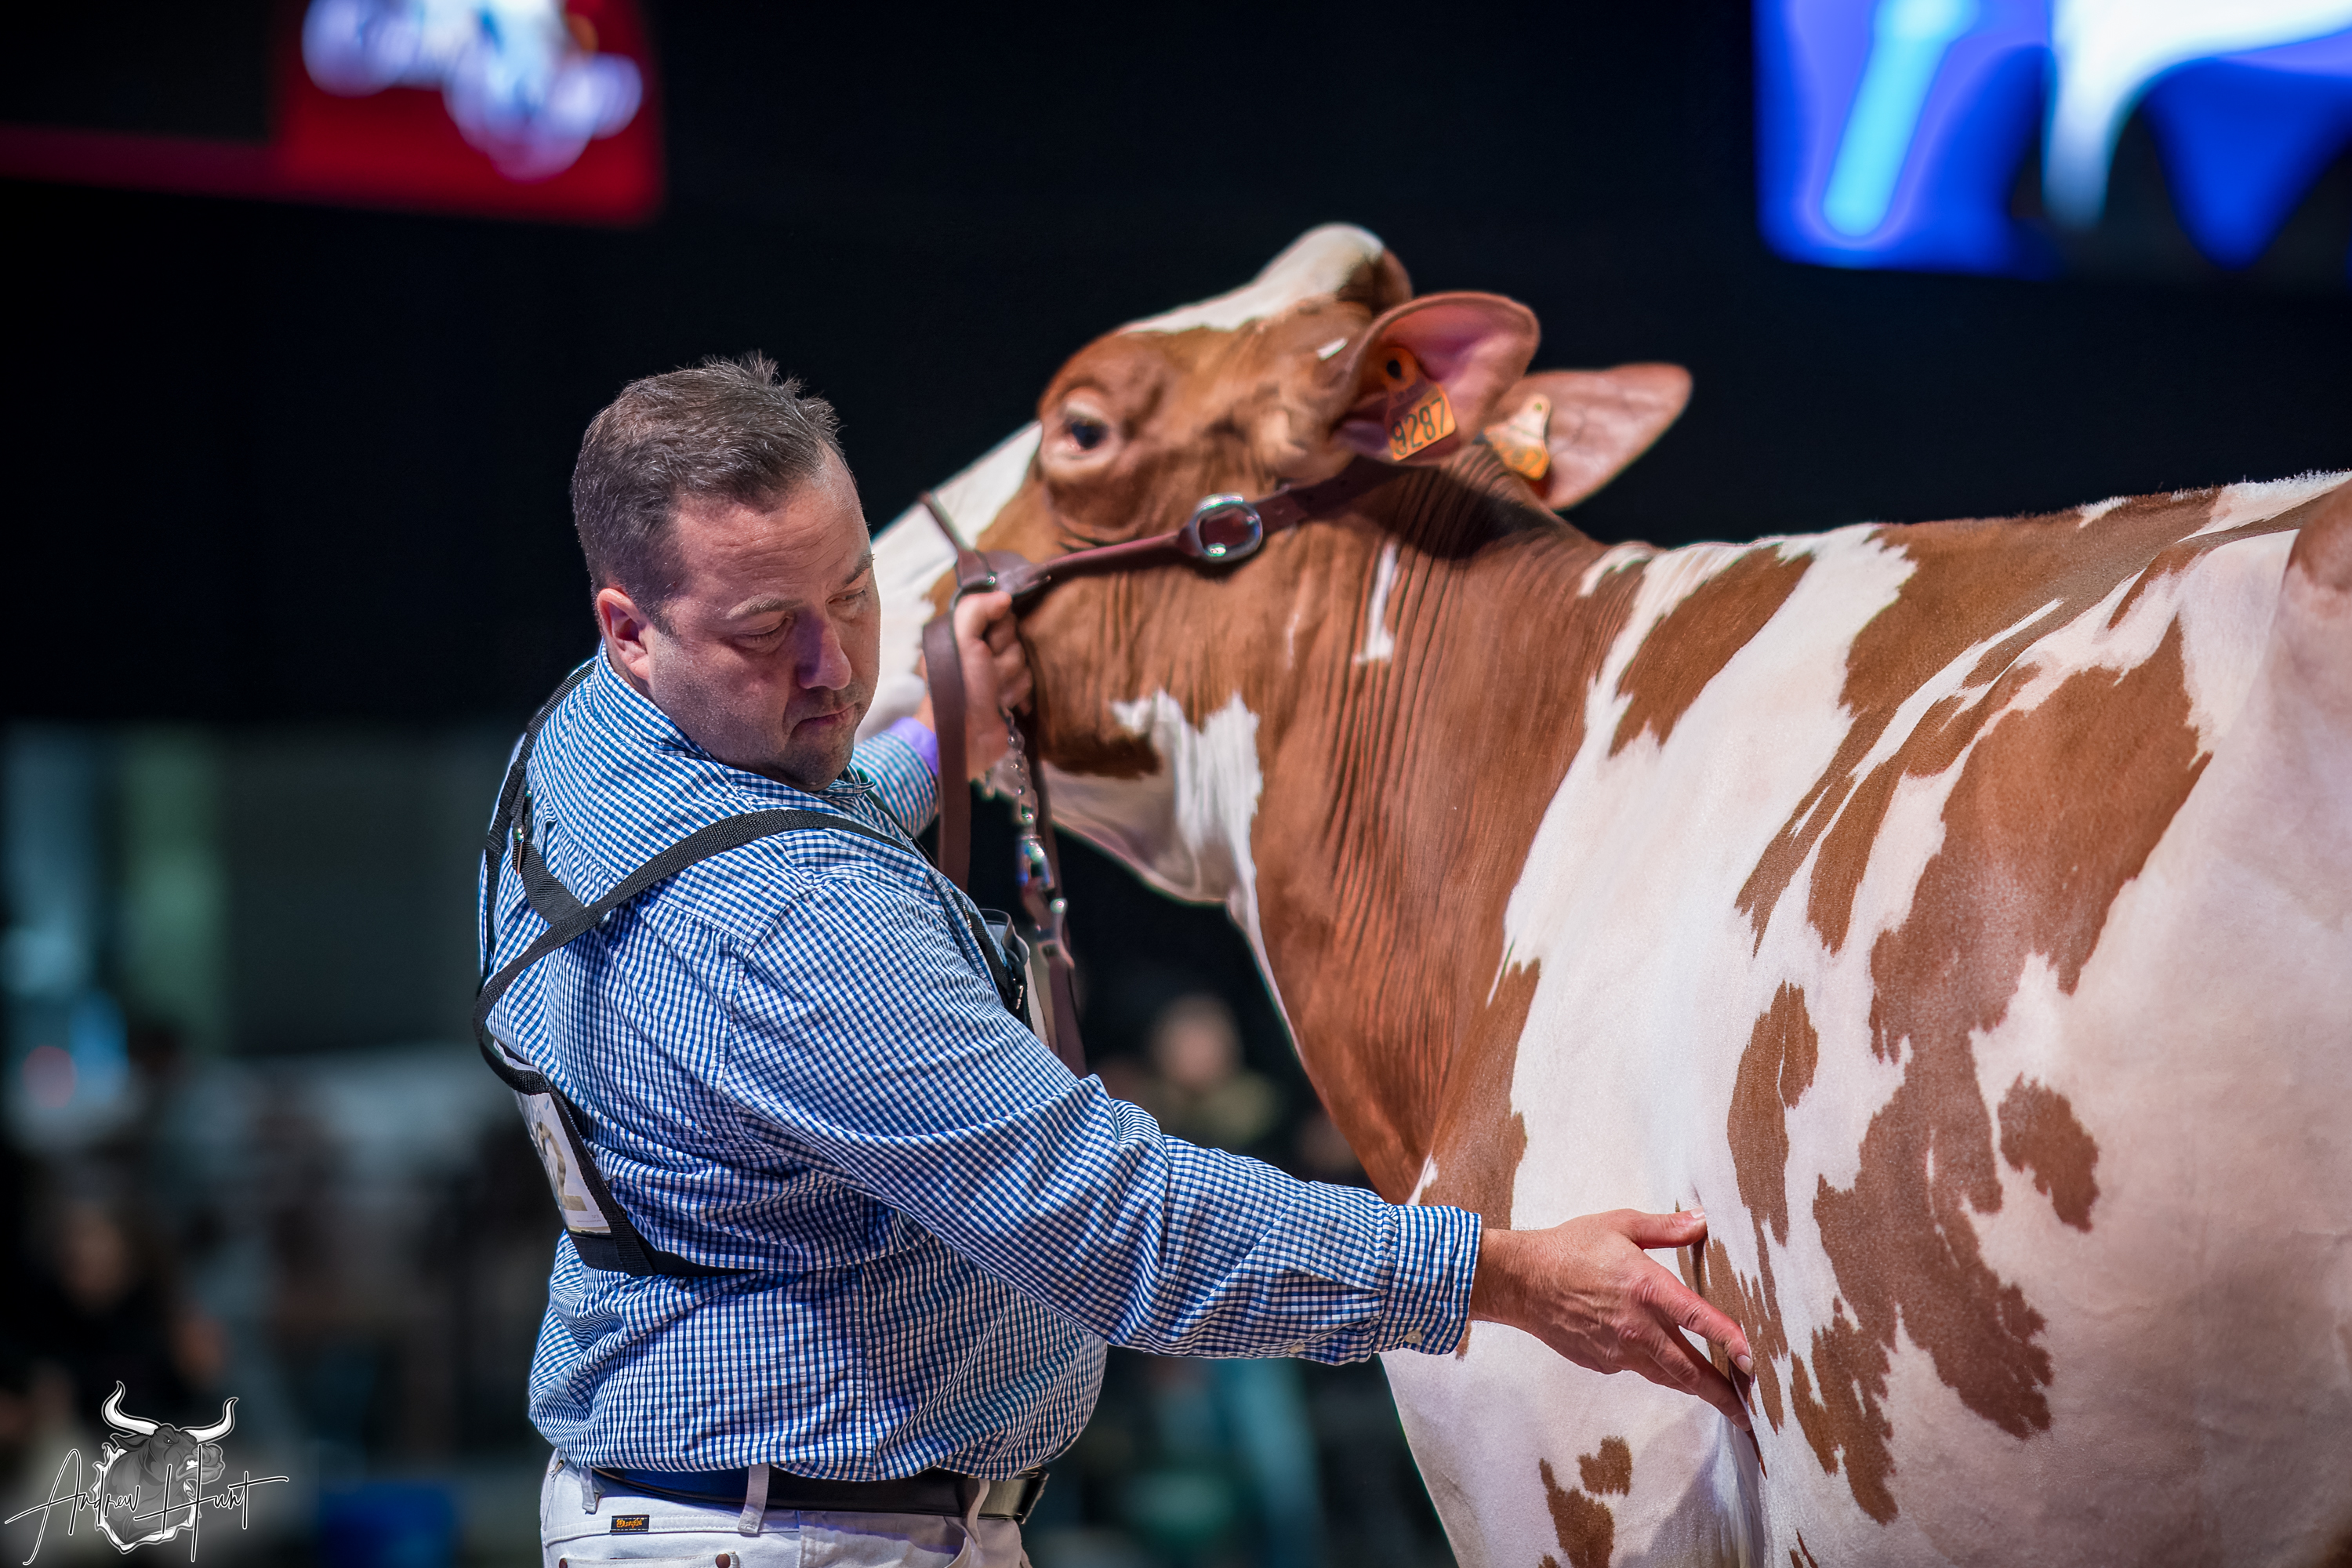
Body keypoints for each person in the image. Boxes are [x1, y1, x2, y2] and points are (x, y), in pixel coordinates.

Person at [484, 356, 1753, 1567]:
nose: (836, 667)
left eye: (855, 594)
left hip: (697, 1502)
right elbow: (1116, 1224)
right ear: (629, 628)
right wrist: (1505, 1276)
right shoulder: (793, 929)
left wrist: (933, 746)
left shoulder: (577, 753)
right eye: (769, 631)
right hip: (815, 1536)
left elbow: (771, 847)